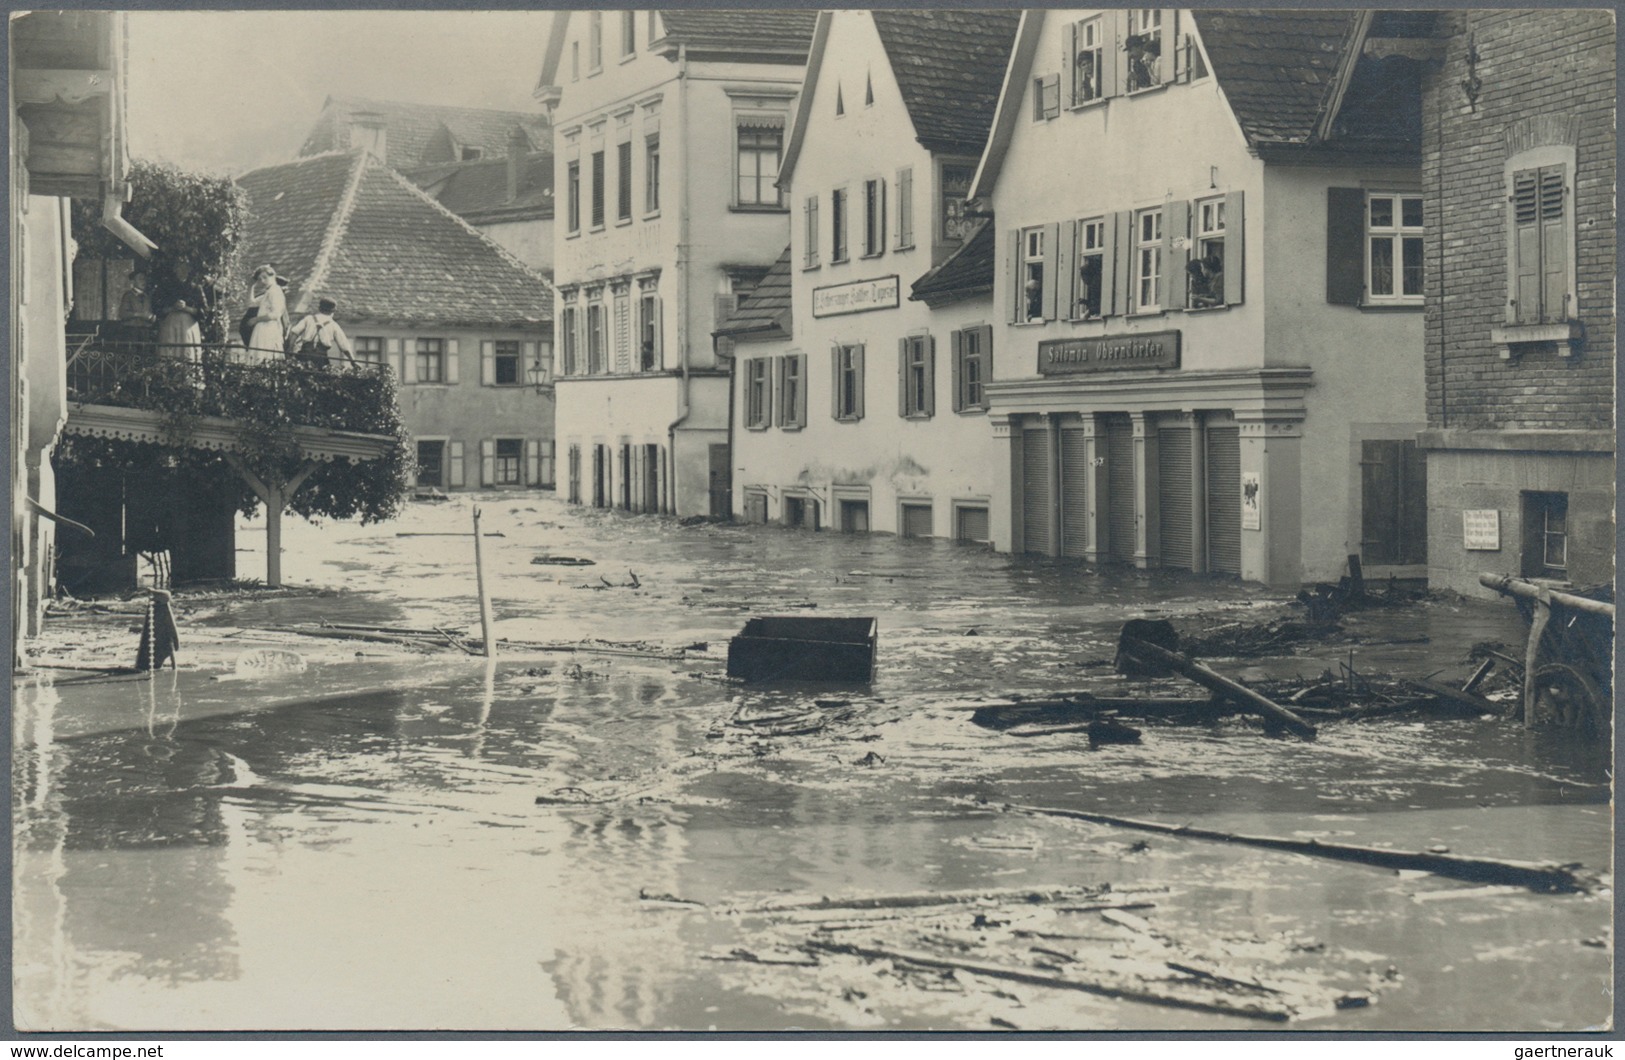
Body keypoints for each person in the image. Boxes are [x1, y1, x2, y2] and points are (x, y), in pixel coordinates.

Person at [286, 297, 356, 369]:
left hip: (304, 355)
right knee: (320, 377)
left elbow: (294, 333)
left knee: (299, 374)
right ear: (332, 312)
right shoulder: (333, 325)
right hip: (320, 358)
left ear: (319, 309)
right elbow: (345, 346)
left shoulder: (309, 319)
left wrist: (290, 349)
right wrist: (353, 361)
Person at [245, 265, 288, 361]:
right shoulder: (268, 293)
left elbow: (276, 314)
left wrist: (256, 319)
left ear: (273, 276)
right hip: (263, 328)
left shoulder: (275, 291)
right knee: (259, 356)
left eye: (265, 277)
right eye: (260, 279)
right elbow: (250, 303)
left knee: (265, 356)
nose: (262, 281)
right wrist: (250, 286)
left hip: (269, 328)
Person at [157, 299, 203, 368]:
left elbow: (202, 311)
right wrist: (172, 308)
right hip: (170, 326)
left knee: (188, 355)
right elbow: (157, 309)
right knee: (168, 356)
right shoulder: (163, 288)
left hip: (188, 327)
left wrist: (186, 308)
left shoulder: (195, 288)